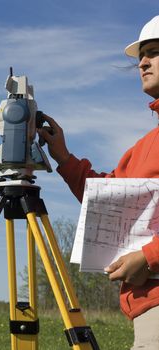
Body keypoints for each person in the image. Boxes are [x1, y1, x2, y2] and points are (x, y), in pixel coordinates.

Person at [37, 15, 159, 350]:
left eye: (154, 51)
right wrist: (64, 157)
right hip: (146, 305)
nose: (143, 63)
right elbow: (105, 198)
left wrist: (148, 257)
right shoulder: (145, 145)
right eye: (140, 56)